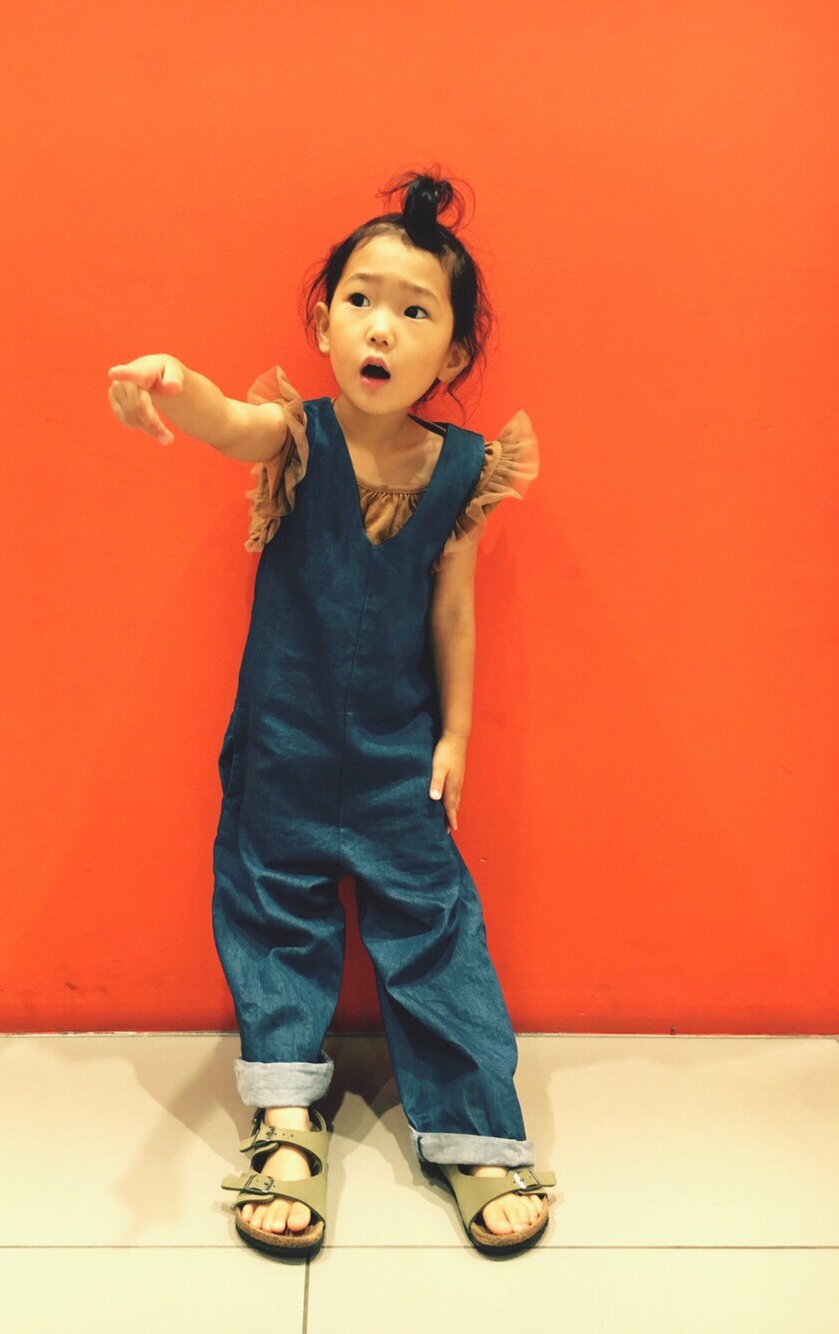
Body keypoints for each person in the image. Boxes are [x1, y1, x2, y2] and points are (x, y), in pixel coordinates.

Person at [106, 169, 556, 1260]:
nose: (380, 327)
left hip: (400, 753)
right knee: (275, 917)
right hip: (286, 746)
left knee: (434, 925)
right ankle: (286, 1117)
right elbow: (229, 423)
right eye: (360, 299)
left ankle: (471, 1129)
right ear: (321, 324)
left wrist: (455, 733)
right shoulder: (293, 435)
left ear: (451, 356)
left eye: (414, 310)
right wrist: (175, 382)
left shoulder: (463, 468)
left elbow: (453, 611)